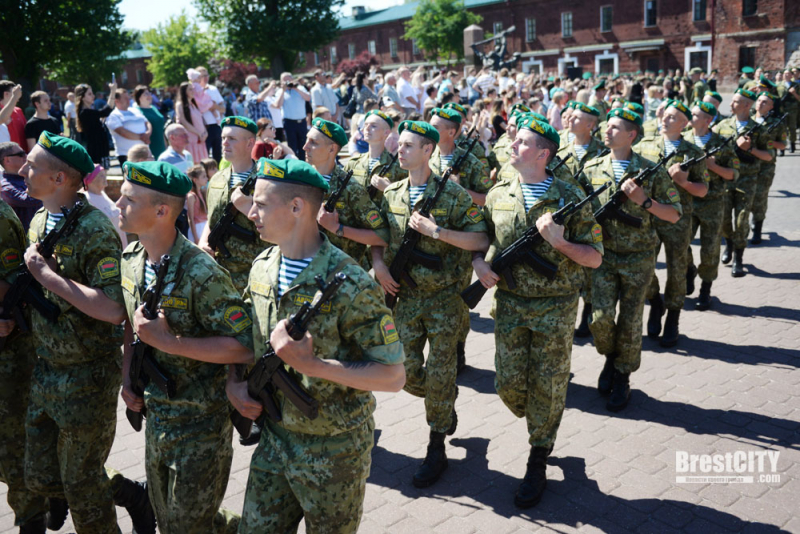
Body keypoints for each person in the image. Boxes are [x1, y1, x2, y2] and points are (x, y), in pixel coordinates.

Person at [226, 157, 404, 533]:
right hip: (274, 438)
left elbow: (393, 376)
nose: (250, 212)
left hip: (334, 450)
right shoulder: (261, 266)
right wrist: (234, 381)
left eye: (260, 204)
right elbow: (247, 339)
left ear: (296, 207)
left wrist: (314, 366)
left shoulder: (353, 285)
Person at [473, 116, 603, 508]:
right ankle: (543, 419)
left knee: (547, 385)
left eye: (522, 142)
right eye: (514, 139)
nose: (512, 144)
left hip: (555, 308)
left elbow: (595, 257)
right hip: (510, 305)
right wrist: (479, 263)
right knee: (508, 385)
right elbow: (483, 238)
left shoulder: (570, 197)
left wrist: (560, 244)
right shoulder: (499, 193)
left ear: (544, 154)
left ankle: (538, 455)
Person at [116, 160, 250, 533]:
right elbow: (131, 323)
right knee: (169, 521)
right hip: (156, 418)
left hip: (200, 425)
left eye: (128, 200)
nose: (118, 206)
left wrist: (171, 342)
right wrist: (128, 378)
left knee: (185, 527)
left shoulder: (200, 272)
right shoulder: (131, 260)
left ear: (161, 211)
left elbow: (244, 345)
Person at [19, 132, 128, 532]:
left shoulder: (94, 230)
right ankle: (131, 492)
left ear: (61, 179)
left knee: (83, 489)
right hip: (47, 367)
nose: (23, 170)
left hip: (86, 374)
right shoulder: (40, 220)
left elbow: (115, 308)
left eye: (33, 165)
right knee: (41, 474)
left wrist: (47, 277)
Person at [372, 120, 489, 488]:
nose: (400, 151)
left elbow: (480, 240)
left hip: (445, 300)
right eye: (399, 145)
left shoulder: (453, 197)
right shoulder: (391, 195)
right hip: (405, 299)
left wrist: (437, 232)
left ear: (428, 150)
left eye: (408, 146)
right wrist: (377, 264)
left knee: (440, 371)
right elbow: (379, 238)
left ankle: (436, 445)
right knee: (405, 371)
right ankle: (443, 400)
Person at [579, 109, 681, 412]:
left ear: (631, 135)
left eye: (614, 128)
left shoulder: (650, 171)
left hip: (638, 258)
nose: (607, 131)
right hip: (602, 258)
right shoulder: (592, 168)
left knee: (630, 321)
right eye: (606, 126)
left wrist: (644, 201)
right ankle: (611, 356)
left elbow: (674, 214)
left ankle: (622, 375)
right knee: (600, 320)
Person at [636, 100, 708, 347]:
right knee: (644, 267)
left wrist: (684, 183)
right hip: (648, 218)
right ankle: (656, 302)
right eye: (664, 115)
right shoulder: (644, 147)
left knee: (677, 269)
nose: (665, 120)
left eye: (672, 117)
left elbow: (702, 190)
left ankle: (673, 318)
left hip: (679, 219)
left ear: (684, 124)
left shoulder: (693, 153)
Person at [0, 193, 50, 533]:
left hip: (9, 356)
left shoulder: (1, 218)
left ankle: (32, 519)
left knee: (15, 450)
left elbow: (11, 285)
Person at [301, 118, 390, 264]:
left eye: (313, 142)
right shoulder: (300, 180)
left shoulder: (351, 189)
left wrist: (338, 228)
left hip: (341, 273)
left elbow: (383, 235)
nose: (305, 147)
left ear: (332, 149)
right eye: (306, 140)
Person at [685, 101, 739, 310]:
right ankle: (689, 270)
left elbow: (734, 174)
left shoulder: (722, 143)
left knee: (710, 248)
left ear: (708, 120)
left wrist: (713, 166)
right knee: (682, 244)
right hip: (688, 202)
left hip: (713, 202)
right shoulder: (684, 140)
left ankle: (705, 289)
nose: (691, 117)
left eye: (696, 114)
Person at [198, 116, 260, 293]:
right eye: (224, 138)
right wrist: (203, 242)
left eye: (232, 139)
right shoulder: (217, 179)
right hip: (219, 274)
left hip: (253, 274)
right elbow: (212, 219)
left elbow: (279, 227)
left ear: (250, 143)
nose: (224, 143)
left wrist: (247, 207)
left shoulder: (267, 181)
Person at [713, 88, 765, 278]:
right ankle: (729, 243)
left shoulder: (759, 128)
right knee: (725, 219)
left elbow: (768, 155)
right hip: (725, 180)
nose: (731, 104)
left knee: (742, 221)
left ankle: (739, 259)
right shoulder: (722, 126)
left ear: (746, 105)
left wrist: (750, 148)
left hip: (747, 180)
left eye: (735, 102)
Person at [344, 110, 407, 205]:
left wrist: (389, 188)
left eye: (373, 126)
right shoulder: (353, 163)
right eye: (365, 125)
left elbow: (407, 201)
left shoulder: (398, 166)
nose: (367, 128)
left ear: (386, 132)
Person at [750, 92, 787, 245]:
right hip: (746, 165)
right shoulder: (747, 120)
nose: (760, 104)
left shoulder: (777, 123)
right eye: (759, 101)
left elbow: (783, 144)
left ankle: (757, 228)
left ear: (771, 106)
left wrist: (767, 143)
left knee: (760, 197)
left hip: (765, 167)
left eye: (765, 102)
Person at [0, 141, 42, 230]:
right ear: (7, 160)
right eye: (21, 154)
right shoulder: (5, 188)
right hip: (26, 239)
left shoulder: (28, 177)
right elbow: (30, 200)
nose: (26, 156)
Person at [83, 164, 127, 247]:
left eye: (105, 175)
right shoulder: (87, 199)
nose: (105, 178)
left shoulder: (102, 194)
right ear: (91, 180)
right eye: (101, 176)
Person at [106, 88, 152, 166]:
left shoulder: (135, 110)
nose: (128, 100)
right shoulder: (113, 115)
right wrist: (142, 137)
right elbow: (122, 132)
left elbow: (147, 123)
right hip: (127, 155)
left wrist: (147, 133)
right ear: (116, 101)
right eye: (125, 98)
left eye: (128, 98)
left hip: (145, 153)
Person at [273, 72, 311, 160]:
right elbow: (278, 105)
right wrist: (283, 90)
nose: (287, 82)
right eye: (284, 80)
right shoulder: (280, 91)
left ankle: (304, 164)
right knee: (292, 146)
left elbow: (308, 98)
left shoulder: (300, 88)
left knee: (303, 145)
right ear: (281, 81)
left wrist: (296, 88)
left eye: (288, 79)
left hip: (301, 121)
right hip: (289, 122)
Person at [196, 66, 226, 162]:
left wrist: (213, 106)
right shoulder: (194, 91)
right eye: (202, 76)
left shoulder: (213, 89)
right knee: (205, 156)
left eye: (206, 75)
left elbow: (223, 108)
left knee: (218, 155)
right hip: (204, 127)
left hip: (216, 125)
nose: (205, 77)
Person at [176, 81, 209, 164]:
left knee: (203, 163)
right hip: (191, 140)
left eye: (193, 89)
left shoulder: (194, 104)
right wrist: (198, 133)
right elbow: (183, 121)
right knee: (193, 164)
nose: (193, 91)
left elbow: (200, 120)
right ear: (184, 92)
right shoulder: (180, 104)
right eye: (190, 89)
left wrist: (205, 133)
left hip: (201, 139)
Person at [133, 85, 167, 160]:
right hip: (149, 144)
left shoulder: (154, 108)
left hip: (161, 143)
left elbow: (160, 127)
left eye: (149, 93)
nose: (149, 96)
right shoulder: (136, 111)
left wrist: (165, 144)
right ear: (138, 97)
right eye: (145, 94)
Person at [0, 81, 28, 151]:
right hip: (7, 156)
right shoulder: (2, 112)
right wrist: (14, 97)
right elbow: (2, 118)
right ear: (6, 94)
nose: (18, 95)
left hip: (23, 154)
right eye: (14, 92)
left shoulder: (18, 110)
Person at [186, 163, 209, 243]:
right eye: (203, 177)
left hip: (204, 227)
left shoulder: (202, 192)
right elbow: (191, 219)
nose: (207, 179)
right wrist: (196, 238)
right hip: (198, 229)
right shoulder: (191, 196)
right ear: (195, 180)